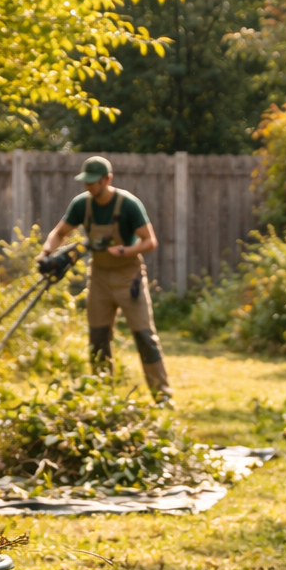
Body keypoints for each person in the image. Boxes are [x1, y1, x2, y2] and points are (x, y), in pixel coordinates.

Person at [38, 155, 173, 404]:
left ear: (107, 179)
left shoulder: (128, 204)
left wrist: (126, 251)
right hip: (99, 277)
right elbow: (60, 232)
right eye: (85, 182)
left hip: (128, 276)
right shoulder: (82, 205)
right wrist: (46, 253)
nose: (88, 186)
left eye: (92, 182)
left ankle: (163, 396)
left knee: (145, 337)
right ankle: (103, 396)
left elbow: (150, 241)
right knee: (98, 338)